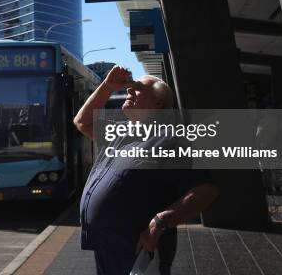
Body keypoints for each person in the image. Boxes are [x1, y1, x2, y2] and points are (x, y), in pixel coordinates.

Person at [74, 66, 218, 275]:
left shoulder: (170, 139)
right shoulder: (121, 132)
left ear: (158, 103)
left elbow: (206, 190)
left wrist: (160, 222)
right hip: (107, 248)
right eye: (129, 89)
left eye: (138, 89)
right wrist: (107, 87)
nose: (129, 91)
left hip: (139, 252)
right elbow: (82, 121)